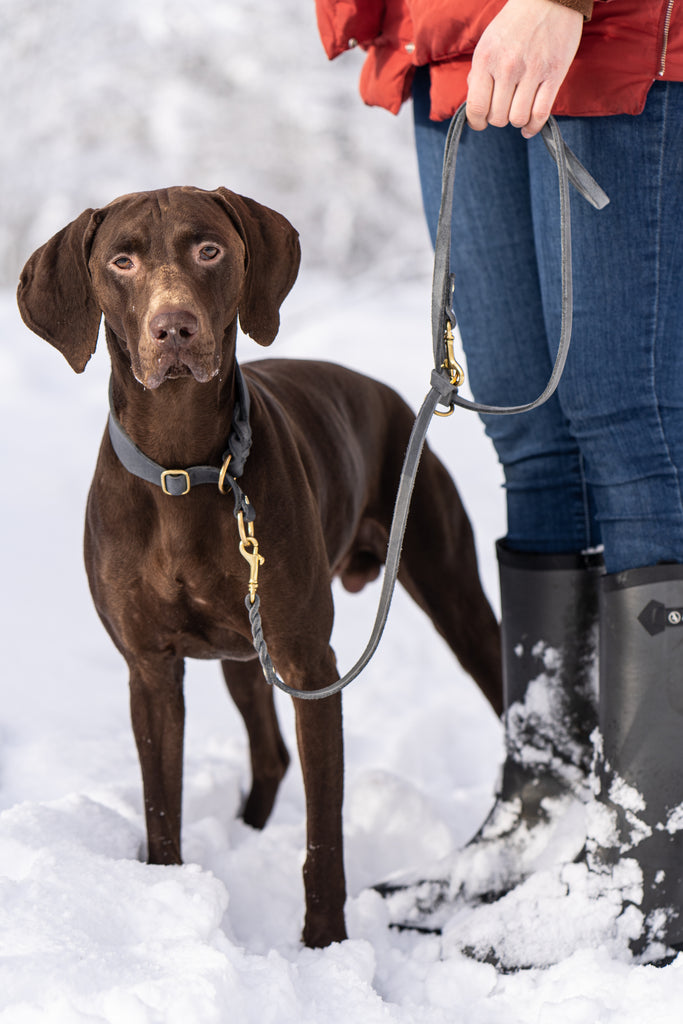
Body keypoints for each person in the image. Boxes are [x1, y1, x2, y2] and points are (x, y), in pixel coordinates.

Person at [315, 0, 683, 962]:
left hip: (596, 34)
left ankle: (656, 859)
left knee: (631, 426)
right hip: (448, 42)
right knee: (527, 427)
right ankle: (549, 801)